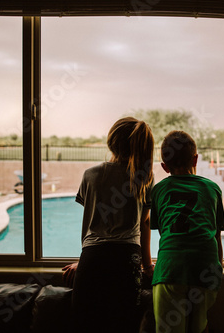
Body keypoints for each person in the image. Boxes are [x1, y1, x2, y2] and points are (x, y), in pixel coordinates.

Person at [62, 117, 155, 332]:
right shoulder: (144, 179)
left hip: (93, 259)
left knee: (84, 324)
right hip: (127, 260)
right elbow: (145, 224)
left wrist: (85, 261)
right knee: (123, 324)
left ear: (111, 142)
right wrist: (147, 266)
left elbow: (94, 224)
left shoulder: (91, 176)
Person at [150, 130, 224, 333]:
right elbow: (216, 236)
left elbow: (166, 234)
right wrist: (217, 270)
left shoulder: (158, 190)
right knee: (199, 327)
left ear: (164, 167)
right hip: (205, 268)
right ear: (196, 159)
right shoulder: (213, 189)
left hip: (170, 270)